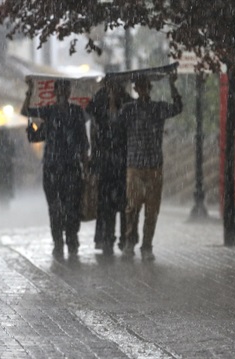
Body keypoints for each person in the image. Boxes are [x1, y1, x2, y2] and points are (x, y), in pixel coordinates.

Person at [21, 79, 90, 257]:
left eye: (65, 90)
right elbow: (26, 111)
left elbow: (83, 141)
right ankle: (58, 241)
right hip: (52, 168)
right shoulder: (49, 112)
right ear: (54, 92)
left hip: (72, 167)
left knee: (72, 206)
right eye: (59, 90)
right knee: (55, 207)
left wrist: (86, 163)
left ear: (68, 92)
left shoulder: (76, 112)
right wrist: (30, 91)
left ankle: (72, 240)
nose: (62, 94)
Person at [119, 73, 183, 261]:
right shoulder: (128, 109)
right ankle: (130, 242)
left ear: (149, 88)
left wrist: (173, 86)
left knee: (152, 210)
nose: (142, 89)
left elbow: (178, 107)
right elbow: (115, 123)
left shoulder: (158, 108)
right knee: (132, 207)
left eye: (145, 86)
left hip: (154, 165)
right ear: (136, 89)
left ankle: (147, 245)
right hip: (135, 166)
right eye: (139, 86)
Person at [86, 79, 133, 255]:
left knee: (123, 202)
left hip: (121, 161)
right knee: (106, 203)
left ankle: (124, 238)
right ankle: (107, 238)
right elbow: (92, 120)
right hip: (105, 161)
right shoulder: (99, 100)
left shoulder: (127, 102)